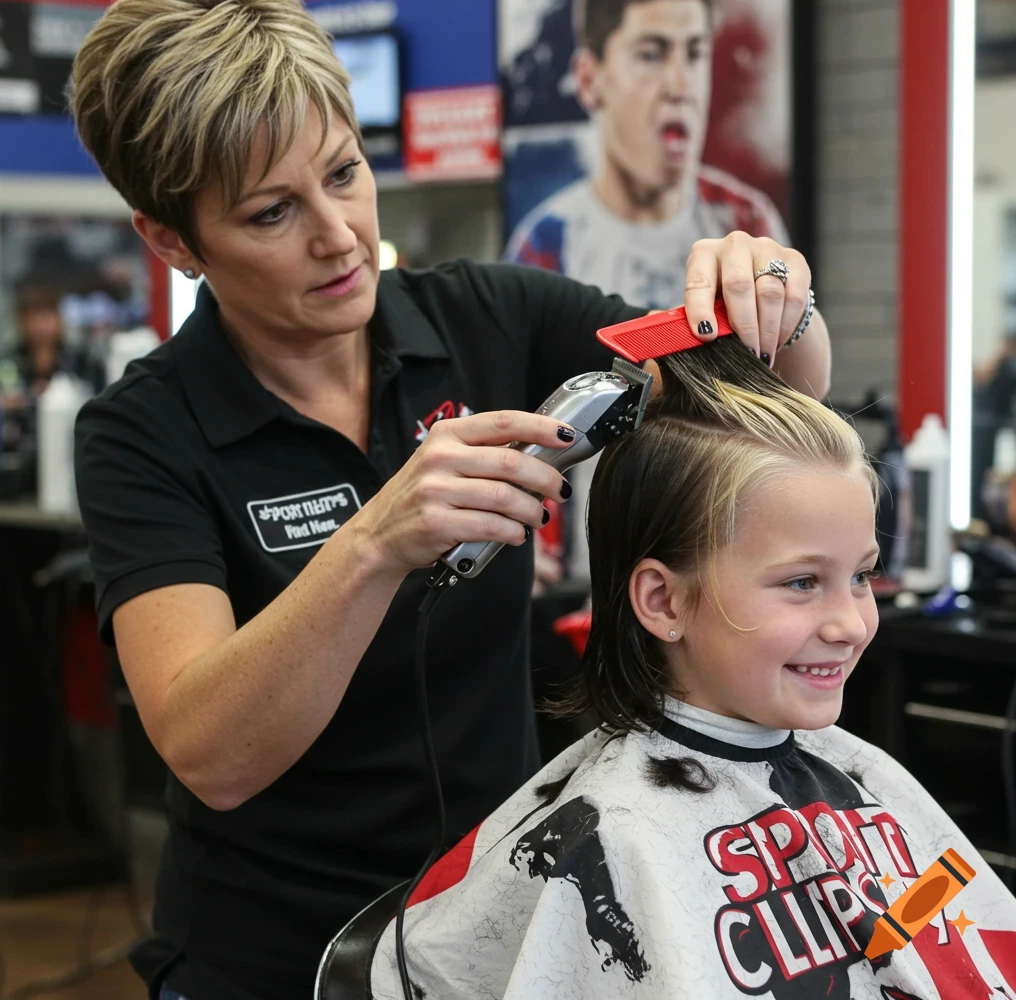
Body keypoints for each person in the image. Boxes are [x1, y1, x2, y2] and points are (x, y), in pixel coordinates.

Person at [66, 0, 830, 996]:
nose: (337, 234)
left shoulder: (492, 317)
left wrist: (777, 295)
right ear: (171, 240)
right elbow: (213, 751)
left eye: (343, 173)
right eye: (271, 212)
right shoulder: (143, 432)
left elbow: (759, 400)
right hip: (270, 957)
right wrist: (373, 544)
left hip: (499, 928)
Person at [367, 334, 1016, 1000]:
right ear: (663, 599)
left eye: (861, 576)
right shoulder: (616, 837)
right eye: (800, 583)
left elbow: (934, 947)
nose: (851, 623)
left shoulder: (865, 779)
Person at [504, 0, 787, 311]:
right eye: (651, 55)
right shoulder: (549, 242)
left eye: (695, 54)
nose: (681, 87)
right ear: (589, 80)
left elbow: (786, 352)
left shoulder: (747, 221)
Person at [0, 283, 104, 498]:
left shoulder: (81, 361)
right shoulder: (10, 363)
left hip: (70, 458)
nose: (40, 326)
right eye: (32, 317)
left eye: (46, 316)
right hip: (21, 466)